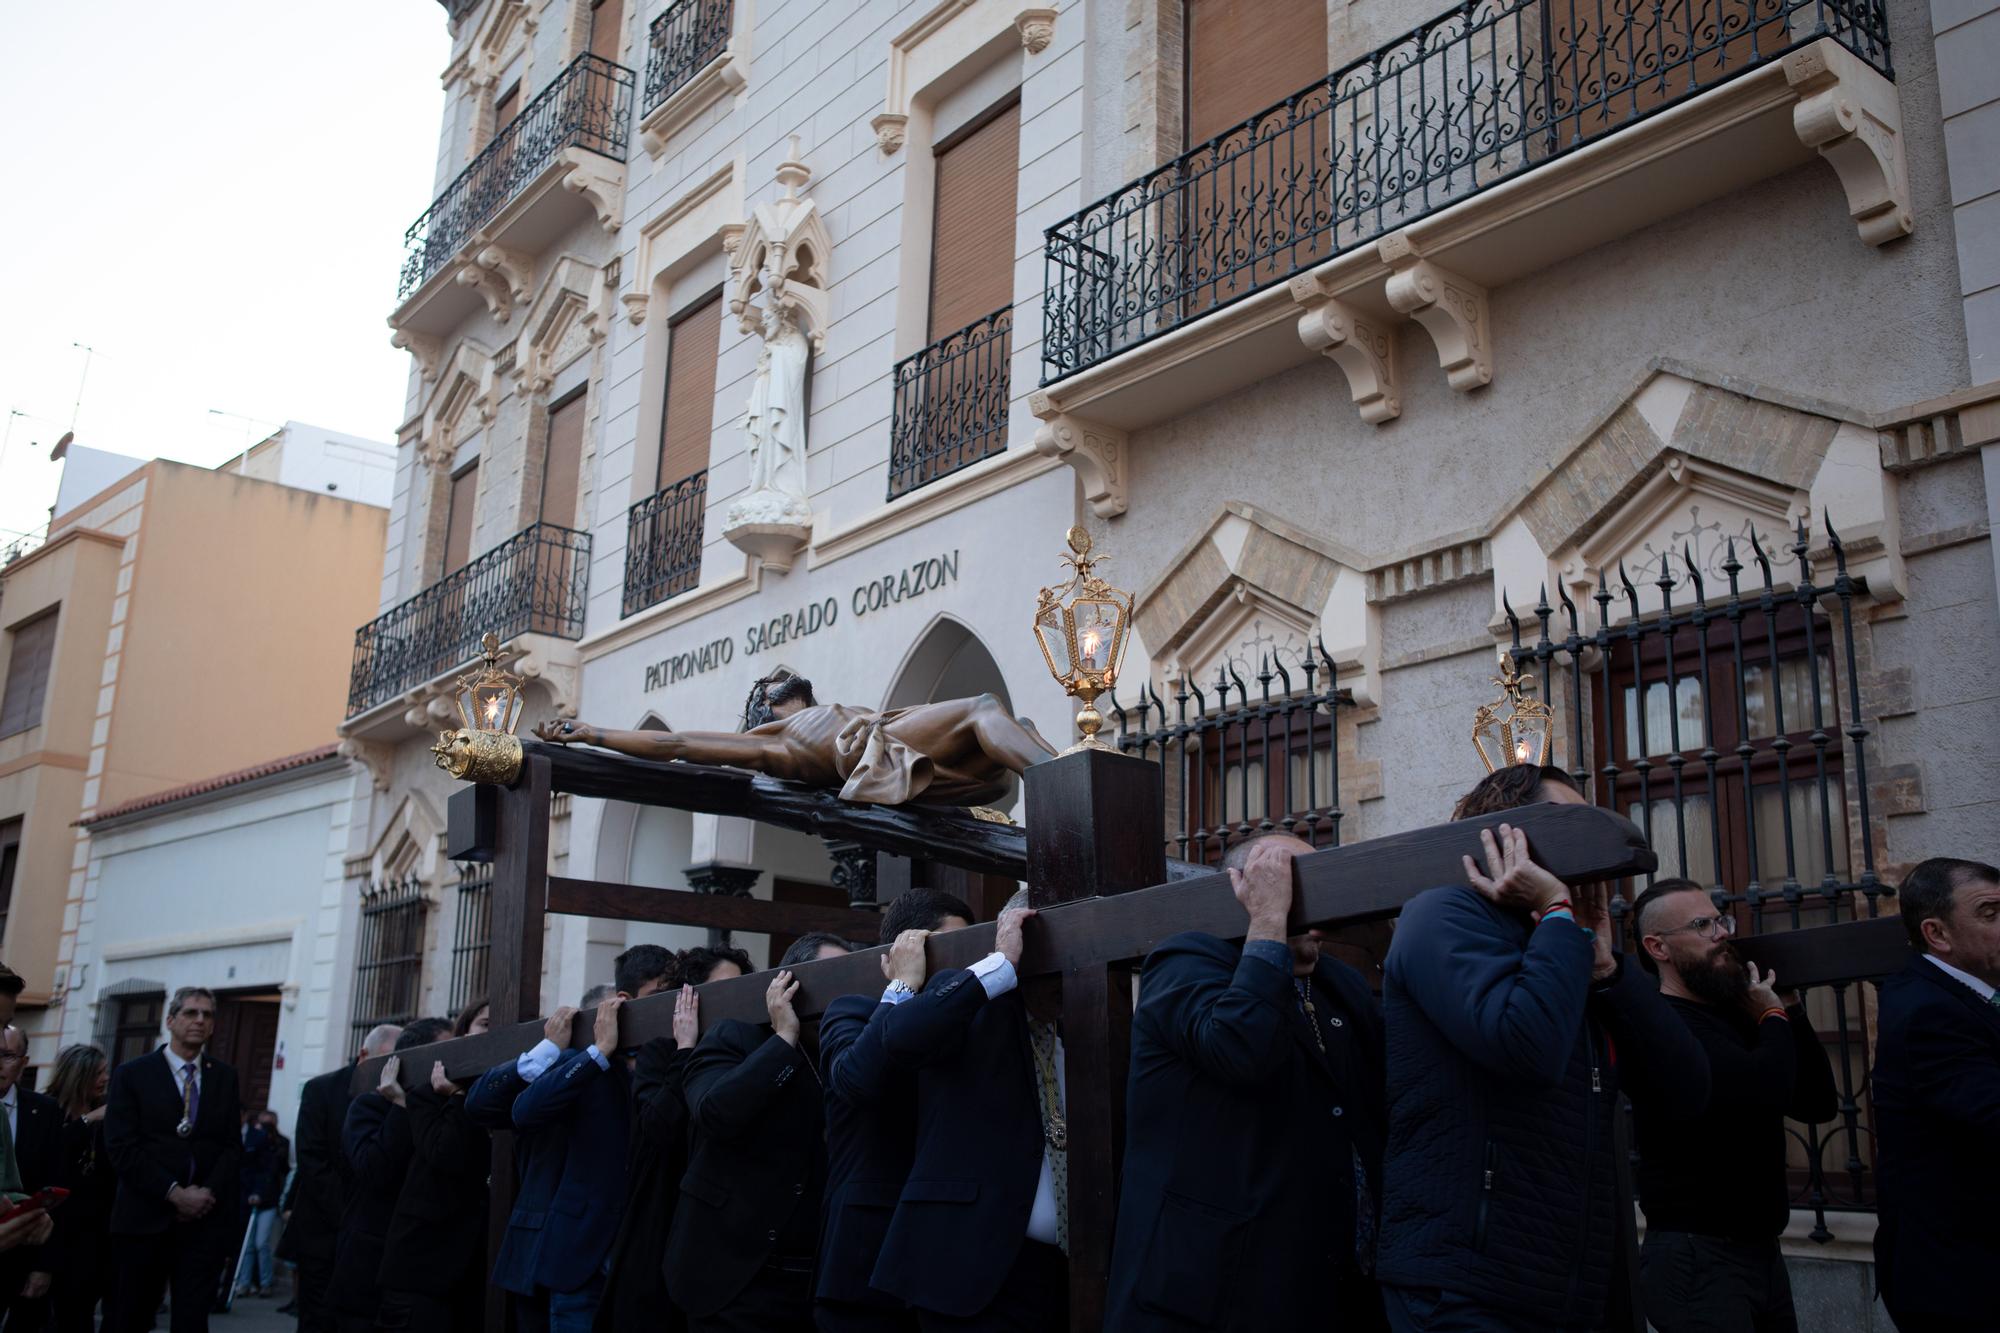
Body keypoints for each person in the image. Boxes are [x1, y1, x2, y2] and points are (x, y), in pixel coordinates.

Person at [1375, 765, 1711, 1332]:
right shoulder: (1442, 915)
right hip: (1465, 1288)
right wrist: (1557, 913)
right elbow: (1525, 1048)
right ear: (1508, 835)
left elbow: (1687, 1092)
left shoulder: (1567, 947)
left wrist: (1606, 969)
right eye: (1564, 821)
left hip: (1563, 1289)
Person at [1107, 833, 1387, 1331]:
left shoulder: (1339, 985)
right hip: (1211, 1291)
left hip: (1322, 1288)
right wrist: (1267, 924)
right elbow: (1239, 1047)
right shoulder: (1185, 962)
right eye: (1293, 889)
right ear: (1246, 888)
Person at [1627, 877, 1838, 1332]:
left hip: (1761, 1252)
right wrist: (1772, 1017)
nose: (1722, 933)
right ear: (1657, 947)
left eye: (1720, 919)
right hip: (1696, 1258)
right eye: (1702, 925)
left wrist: (1791, 1011)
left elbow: (1817, 1103)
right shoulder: (1663, 1025)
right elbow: (1761, 1093)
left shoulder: (1737, 1014)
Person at [867, 897, 1064, 1331]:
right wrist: (1000, 964)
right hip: (967, 1268)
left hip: (1060, 1273)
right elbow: (900, 1035)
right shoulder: (975, 1006)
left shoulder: (1077, 1020)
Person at [664, 935, 847, 1333]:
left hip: (813, 1280)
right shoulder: (737, 1036)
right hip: (733, 1276)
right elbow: (715, 1112)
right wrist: (784, 1040)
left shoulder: (846, 1047)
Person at [817, 890, 976, 1333]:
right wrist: (903, 988)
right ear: (907, 948)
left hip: (943, 1262)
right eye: (948, 947)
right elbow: (858, 1081)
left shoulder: (965, 1016)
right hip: (865, 1259)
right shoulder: (852, 1010)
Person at [536, 674, 1055, 807]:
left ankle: (1066, 770)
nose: (783, 680)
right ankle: (1069, 780)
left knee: (1019, 724)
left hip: (895, 733)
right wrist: (593, 733)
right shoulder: (771, 742)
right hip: (881, 748)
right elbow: (678, 744)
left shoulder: (826, 711)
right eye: (771, 686)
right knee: (983, 708)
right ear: (763, 709)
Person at [1870, 856, 2000, 1333]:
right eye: (1990, 913)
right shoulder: (1929, 1012)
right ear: (1937, 934)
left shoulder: (1972, 992)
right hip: (1964, 1286)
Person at [468, 988, 630, 1333]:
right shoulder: (555, 1063)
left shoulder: (630, 1073)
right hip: (540, 1248)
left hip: (606, 1253)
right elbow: (482, 1104)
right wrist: (551, 1048)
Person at [105, 985, 243, 1333]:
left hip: (202, 1222)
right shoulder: (133, 1074)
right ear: (170, 1020)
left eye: (207, 1015)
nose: (199, 1020)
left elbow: (229, 1146)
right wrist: (174, 1193)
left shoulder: (224, 1077)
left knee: (192, 1319)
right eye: (190, 1013)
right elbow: (122, 1147)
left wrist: (205, 1193)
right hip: (144, 1217)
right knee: (131, 1316)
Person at [595, 954, 696, 1333]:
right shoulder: (603, 1055)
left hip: (663, 1236)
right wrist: (598, 1053)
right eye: (661, 994)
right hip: (590, 1249)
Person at [377, 1008, 493, 1333]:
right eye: (485, 1024)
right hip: (424, 1268)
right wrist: (456, 1097)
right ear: (463, 1034)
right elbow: (445, 1154)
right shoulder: (428, 1093)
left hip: (476, 1270)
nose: (496, 1032)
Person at [282, 1025, 399, 1333]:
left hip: (369, 1239)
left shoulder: (397, 1093)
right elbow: (312, 1160)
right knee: (318, 1320)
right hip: (323, 1230)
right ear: (364, 1055)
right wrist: (347, 1216)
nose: (393, 1069)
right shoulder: (321, 1089)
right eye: (387, 1059)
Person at [337, 1022, 449, 1332]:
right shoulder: (368, 1107)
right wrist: (401, 1106)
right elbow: (374, 1170)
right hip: (368, 1264)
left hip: (417, 1267)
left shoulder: (439, 1106)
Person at [46, 1044, 117, 1333]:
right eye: (98, 1072)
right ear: (79, 1075)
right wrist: (89, 1120)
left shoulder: (105, 1116)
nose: (105, 1077)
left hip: (96, 1234)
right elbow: (52, 1153)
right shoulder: (49, 1111)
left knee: (80, 1313)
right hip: (55, 1231)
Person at [0, 1023, 62, 1328]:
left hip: (22, 1258)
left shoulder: (45, 1112)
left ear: (24, 1063)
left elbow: (54, 1192)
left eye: (8, 1056)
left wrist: (44, 1266)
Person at [234, 1108, 284, 1297]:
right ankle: (244, 1282)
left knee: (261, 1243)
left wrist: (258, 1192)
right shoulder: (240, 1138)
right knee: (247, 1245)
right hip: (246, 1199)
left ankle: (265, 1282)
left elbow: (268, 1171)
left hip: (266, 1200)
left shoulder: (261, 1142)